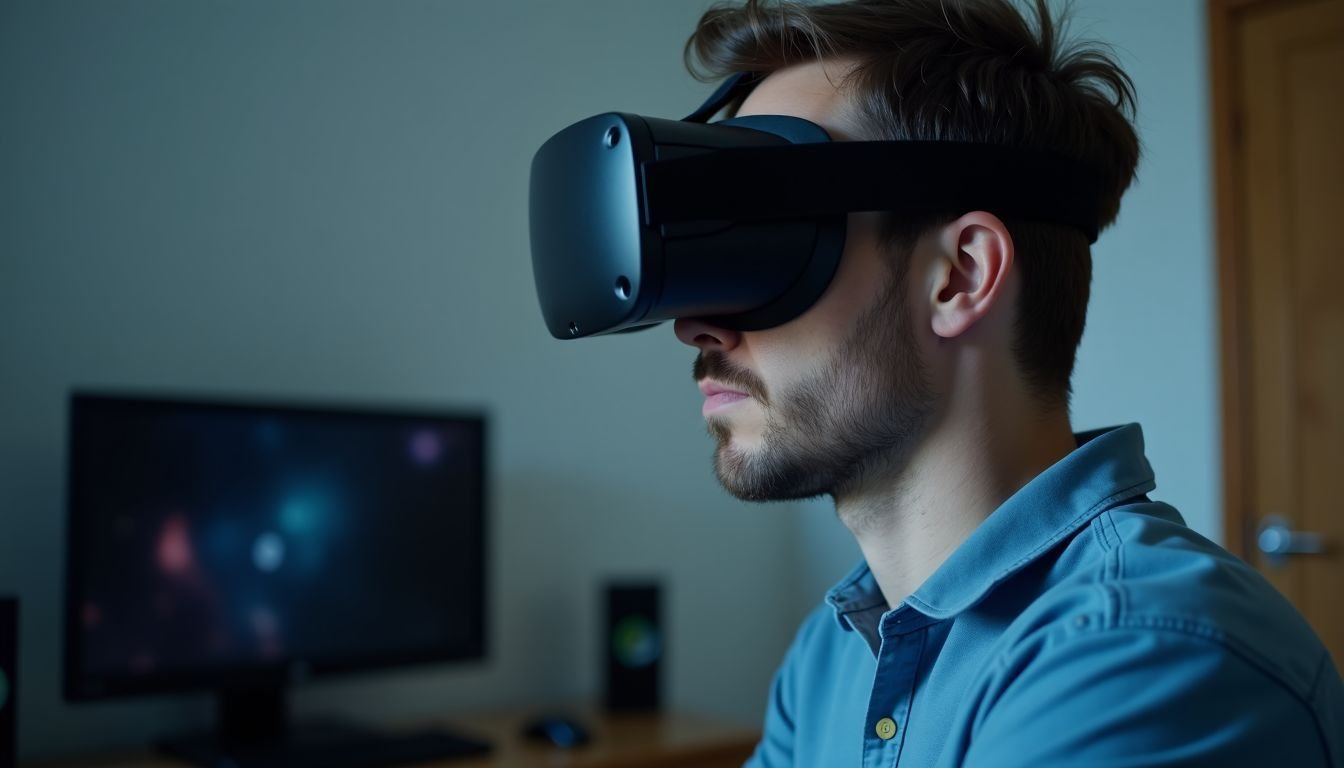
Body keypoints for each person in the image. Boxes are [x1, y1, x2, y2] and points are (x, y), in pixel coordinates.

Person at [671, 1, 1344, 765]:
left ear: (960, 276)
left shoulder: (1142, 661)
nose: (698, 324)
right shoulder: (831, 658)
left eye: (772, 241)